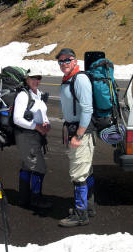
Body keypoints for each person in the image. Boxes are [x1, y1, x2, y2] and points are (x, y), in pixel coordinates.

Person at [56, 48, 96, 227]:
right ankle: (87, 208)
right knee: (85, 170)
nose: (64, 63)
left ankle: (81, 215)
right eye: (61, 61)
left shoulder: (79, 79)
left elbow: (87, 109)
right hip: (76, 130)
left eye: (67, 60)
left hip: (81, 133)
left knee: (78, 173)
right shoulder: (69, 79)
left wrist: (78, 135)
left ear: (74, 61)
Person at [13, 69, 51, 209]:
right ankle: (36, 199)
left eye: (38, 78)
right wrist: (36, 127)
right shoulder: (23, 95)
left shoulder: (37, 94)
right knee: (39, 167)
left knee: (27, 165)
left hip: (35, 135)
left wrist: (46, 124)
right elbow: (17, 119)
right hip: (26, 136)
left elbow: (42, 113)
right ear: (27, 79)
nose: (36, 80)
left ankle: (23, 198)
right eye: (33, 78)